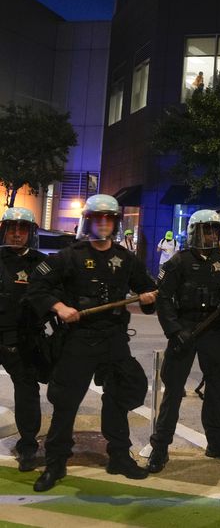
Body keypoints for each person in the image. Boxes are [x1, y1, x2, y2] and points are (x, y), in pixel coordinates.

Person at [27, 194, 158, 492]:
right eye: (98, 218)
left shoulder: (126, 259)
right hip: (78, 340)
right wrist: (59, 307)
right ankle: (56, 463)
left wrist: (149, 297)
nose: (103, 223)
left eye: (108, 218)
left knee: (118, 398)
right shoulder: (69, 256)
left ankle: (120, 457)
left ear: (115, 222)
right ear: (89, 220)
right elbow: (37, 288)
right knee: (65, 402)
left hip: (114, 339)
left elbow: (147, 291)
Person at [147, 210, 220, 473]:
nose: (212, 235)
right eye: (207, 230)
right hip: (186, 331)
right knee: (173, 392)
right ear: (195, 232)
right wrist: (175, 332)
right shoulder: (178, 262)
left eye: (215, 230)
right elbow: (164, 300)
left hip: (215, 332)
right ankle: (160, 447)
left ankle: (217, 443)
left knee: (216, 391)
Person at [0, 208, 48, 472]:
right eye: (12, 228)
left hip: (22, 338)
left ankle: (28, 445)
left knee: (27, 392)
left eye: (22, 229)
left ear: (30, 233)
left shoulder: (41, 264)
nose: (16, 234)